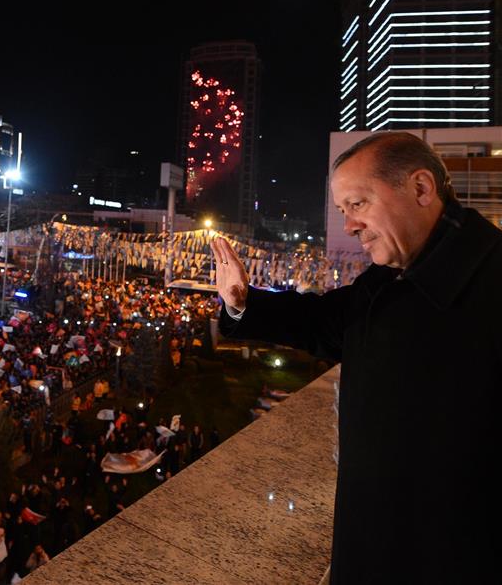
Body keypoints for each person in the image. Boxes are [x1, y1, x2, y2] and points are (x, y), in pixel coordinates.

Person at [211, 131, 502, 583]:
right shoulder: (387, 279)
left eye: (358, 204)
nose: (349, 225)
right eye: (343, 210)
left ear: (421, 189)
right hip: (366, 542)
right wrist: (242, 301)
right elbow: (323, 322)